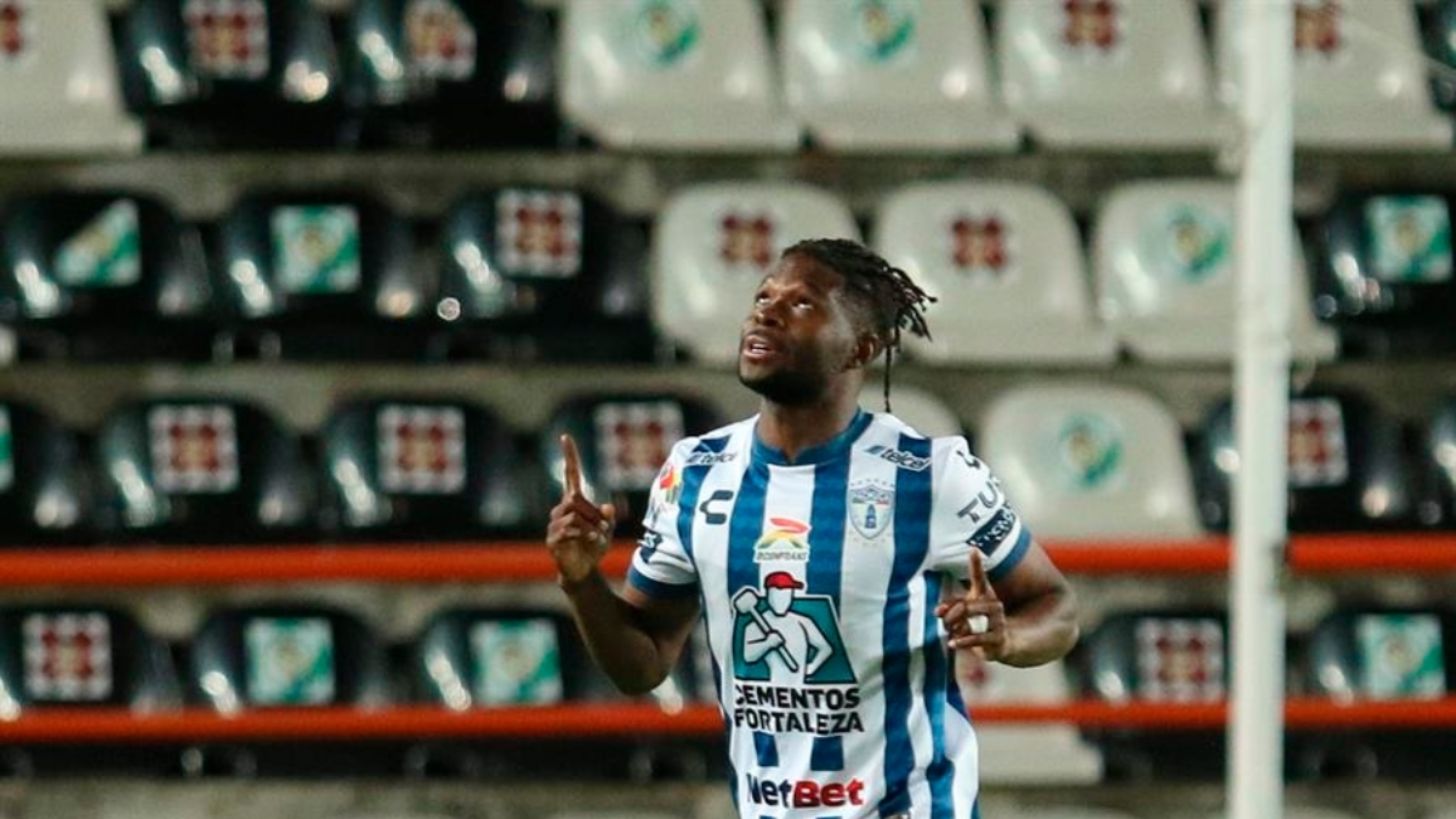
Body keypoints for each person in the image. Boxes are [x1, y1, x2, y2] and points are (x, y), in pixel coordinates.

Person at [546, 238, 1079, 818]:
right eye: (763, 297)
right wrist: (581, 581)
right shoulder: (695, 472)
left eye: (801, 304)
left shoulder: (931, 475)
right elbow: (642, 665)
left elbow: (1055, 607)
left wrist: (1007, 639)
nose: (766, 313)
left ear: (861, 347)